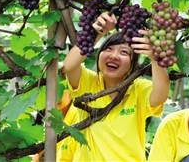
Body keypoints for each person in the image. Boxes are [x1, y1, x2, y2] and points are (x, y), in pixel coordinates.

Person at [61, 12, 170, 161]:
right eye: (108, 49)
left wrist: (155, 58)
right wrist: (97, 33)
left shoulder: (138, 89)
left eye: (124, 52)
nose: (114, 56)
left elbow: (160, 95)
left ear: (132, 65)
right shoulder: (88, 82)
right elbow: (69, 65)